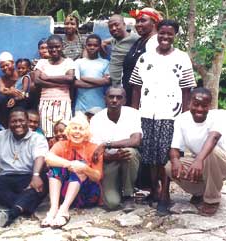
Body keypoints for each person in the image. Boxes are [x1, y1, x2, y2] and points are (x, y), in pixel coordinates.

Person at [130, 20, 196, 215]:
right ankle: (154, 190)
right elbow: (136, 87)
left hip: (171, 114)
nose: (165, 37)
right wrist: (134, 113)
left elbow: (186, 90)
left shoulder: (182, 58)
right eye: (162, 33)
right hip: (147, 112)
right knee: (150, 156)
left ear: (175, 36)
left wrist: (185, 115)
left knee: (166, 155)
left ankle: (165, 195)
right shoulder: (145, 57)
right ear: (157, 33)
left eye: (170, 34)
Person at [0, 107, 49, 227]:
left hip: (28, 178)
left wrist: (36, 175)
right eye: (14, 121)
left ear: (27, 121)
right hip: (6, 179)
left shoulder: (37, 138)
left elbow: (40, 157)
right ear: (8, 123)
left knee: (45, 180)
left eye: (21, 120)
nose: (18, 124)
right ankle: (24, 204)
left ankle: (13, 212)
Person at [166, 88, 226, 216]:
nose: (199, 109)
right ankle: (200, 193)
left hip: (221, 162)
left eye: (204, 106)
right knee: (170, 167)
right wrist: (176, 160)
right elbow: (174, 148)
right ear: (189, 103)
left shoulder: (219, 116)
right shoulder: (182, 119)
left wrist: (199, 160)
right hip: (203, 163)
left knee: (211, 152)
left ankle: (212, 200)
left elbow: (213, 138)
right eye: (196, 104)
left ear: (209, 106)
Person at [41, 113, 103, 228]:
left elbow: (97, 176)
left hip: (87, 194)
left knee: (81, 166)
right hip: (65, 193)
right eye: (74, 128)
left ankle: (64, 210)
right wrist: (70, 164)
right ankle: (53, 209)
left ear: (87, 133)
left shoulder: (94, 148)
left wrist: (84, 168)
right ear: (68, 131)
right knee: (55, 168)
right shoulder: (62, 144)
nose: (77, 132)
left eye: (81, 129)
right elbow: (48, 158)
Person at [90, 85, 141, 210]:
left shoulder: (133, 114)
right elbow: (95, 151)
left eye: (119, 97)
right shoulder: (96, 119)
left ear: (124, 100)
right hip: (108, 160)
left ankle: (128, 195)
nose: (114, 100)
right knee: (112, 203)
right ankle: (117, 188)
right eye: (111, 97)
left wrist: (107, 145)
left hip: (125, 157)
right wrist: (112, 156)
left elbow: (135, 140)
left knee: (130, 152)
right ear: (105, 99)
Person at [34, 35, 76, 138]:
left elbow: (70, 78)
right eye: (51, 47)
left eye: (57, 46)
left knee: (64, 135)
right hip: (45, 102)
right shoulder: (42, 62)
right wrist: (60, 83)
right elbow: (37, 81)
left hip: (63, 102)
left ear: (63, 46)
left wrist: (47, 78)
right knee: (47, 135)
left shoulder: (68, 62)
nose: (54, 49)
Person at [122, 8, 163, 106]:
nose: (138, 24)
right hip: (130, 93)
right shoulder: (140, 41)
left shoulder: (154, 43)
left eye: (143, 21)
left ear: (154, 23)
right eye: (137, 21)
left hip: (142, 98)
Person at [74, 34, 110, 112]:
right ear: (85, 46)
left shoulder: (105, 63)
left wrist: (84, 78)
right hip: (81, 106)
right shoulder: (78, 62)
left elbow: (106, 81)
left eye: (95, 45)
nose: (92, 47)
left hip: (99, 106)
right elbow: (76, 83)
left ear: (100, 47)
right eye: (89, 45)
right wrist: (99, 82)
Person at [104, 14, 139, 85]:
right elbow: (103, 42)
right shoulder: (114, 40)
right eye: (110, 27)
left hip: (125, 84)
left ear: (124, 25)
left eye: (116, 25)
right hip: (113, 84)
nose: (113, 28)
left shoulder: (135, 38)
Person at [0, 52, 24, 127]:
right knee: (0, 99)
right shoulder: (1, 78)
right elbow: (1, 90)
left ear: (13, 63)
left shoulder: (20, 73)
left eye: (7, 65)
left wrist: (14, 96)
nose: (5, 68)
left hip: (21, 99)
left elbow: (24, 90)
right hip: (9, 102)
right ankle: (4, 126)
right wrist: (11, 91)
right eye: (2, 67)